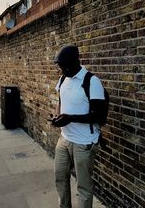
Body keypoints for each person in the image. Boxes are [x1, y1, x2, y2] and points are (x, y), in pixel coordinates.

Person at [51, 45, 106, 208]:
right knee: (60, 177)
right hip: (64, 138)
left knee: (84, 186)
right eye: (59, 66)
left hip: (84, 142)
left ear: (75, 62)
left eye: (63, 66)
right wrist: (57, 115)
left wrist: (71, 118)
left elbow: (99, 116)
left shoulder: (91, 81)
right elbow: (61, 101)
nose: (61, 70)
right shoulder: (63, 79)